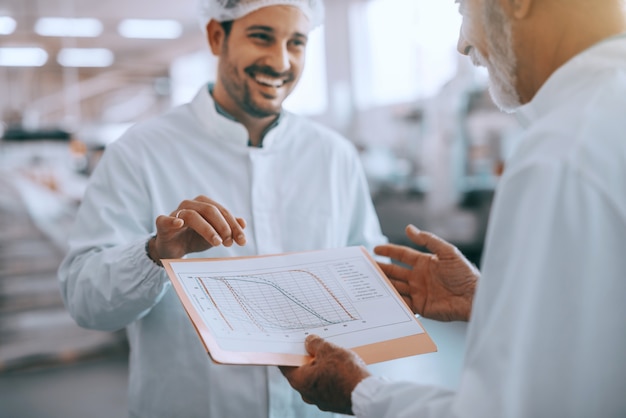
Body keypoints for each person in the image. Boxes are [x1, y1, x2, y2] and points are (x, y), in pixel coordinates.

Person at [280, 0, 626, 416]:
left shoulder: (562, 151)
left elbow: (516, 410)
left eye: (464, 9)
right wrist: (487, 299)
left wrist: (360, 392)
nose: (463, 44)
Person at [58, 1, 387, 417]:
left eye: (296, 42)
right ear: (217, 36)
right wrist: (154, 255)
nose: (281, 60)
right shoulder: (140, 152)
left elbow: (366, 268)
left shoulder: (334, 157)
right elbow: (84, 300)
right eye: (261, 36)